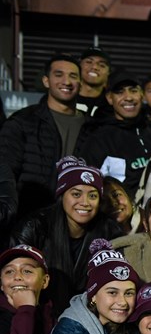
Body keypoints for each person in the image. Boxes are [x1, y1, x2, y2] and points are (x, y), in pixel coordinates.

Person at [14, 157, 122, 317]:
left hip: (89, 317)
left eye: (92, 196)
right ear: (62, 194)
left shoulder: (110, 230)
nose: (85, 202)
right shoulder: (36, 225)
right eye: (76, 194)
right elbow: (14, 276)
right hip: (38, 315)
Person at [0, 53, 93, 218]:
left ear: (80, 83)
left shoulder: (92, 127)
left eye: (73, 76)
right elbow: (6, 174)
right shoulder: (22, 122)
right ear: (46, 81)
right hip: (28, 219)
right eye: (59, 75)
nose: (66, 81)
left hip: (75, 221)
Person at [80, 70, 151, 197]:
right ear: (110, 98)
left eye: (133, 91)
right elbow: (87, 184)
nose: (128, 97)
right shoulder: (98, 138)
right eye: (120, 92)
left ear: (141, 95)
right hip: (120, 212)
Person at [0, 245, 53, 334]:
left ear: (44, 281)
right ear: (1, 284)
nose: (17, 277)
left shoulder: (51, 314)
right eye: (9, 272)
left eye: (27, 271)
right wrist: (25, 309)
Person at [76, 47, 111, 118]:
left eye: (102, 65)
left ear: (108, 72)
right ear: (79, 65)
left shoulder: (112, 105)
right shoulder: (64, 99)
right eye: (89, 62)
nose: (94, 67)